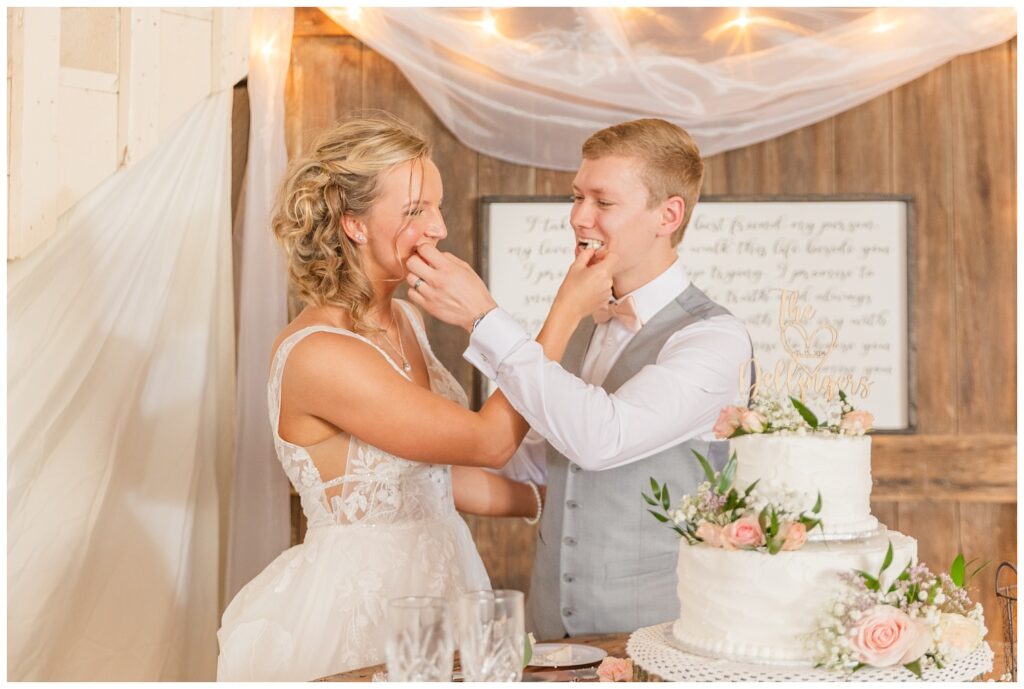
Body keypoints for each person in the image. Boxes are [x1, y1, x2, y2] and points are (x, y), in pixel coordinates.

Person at [215, 114, 616, 681]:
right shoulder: (320, 354)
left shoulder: (403, 316)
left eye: (437, 206)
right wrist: (566, 311)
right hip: (366, 608)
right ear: (353, 224)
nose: (438, 229)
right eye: (414, 211)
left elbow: (428, 477)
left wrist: (556, 504)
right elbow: (490, 440)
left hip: (450, 585)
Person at [406, 118, 754, 640]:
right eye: (576, 197)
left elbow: (600, 439)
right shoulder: (587, 321)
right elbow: (537, 458)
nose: (578, 217)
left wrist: (484, 317)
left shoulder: (713, 339)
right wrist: (393, 466)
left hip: (658, 636)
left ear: (669, 214)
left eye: (603, 202)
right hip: (552, 633)